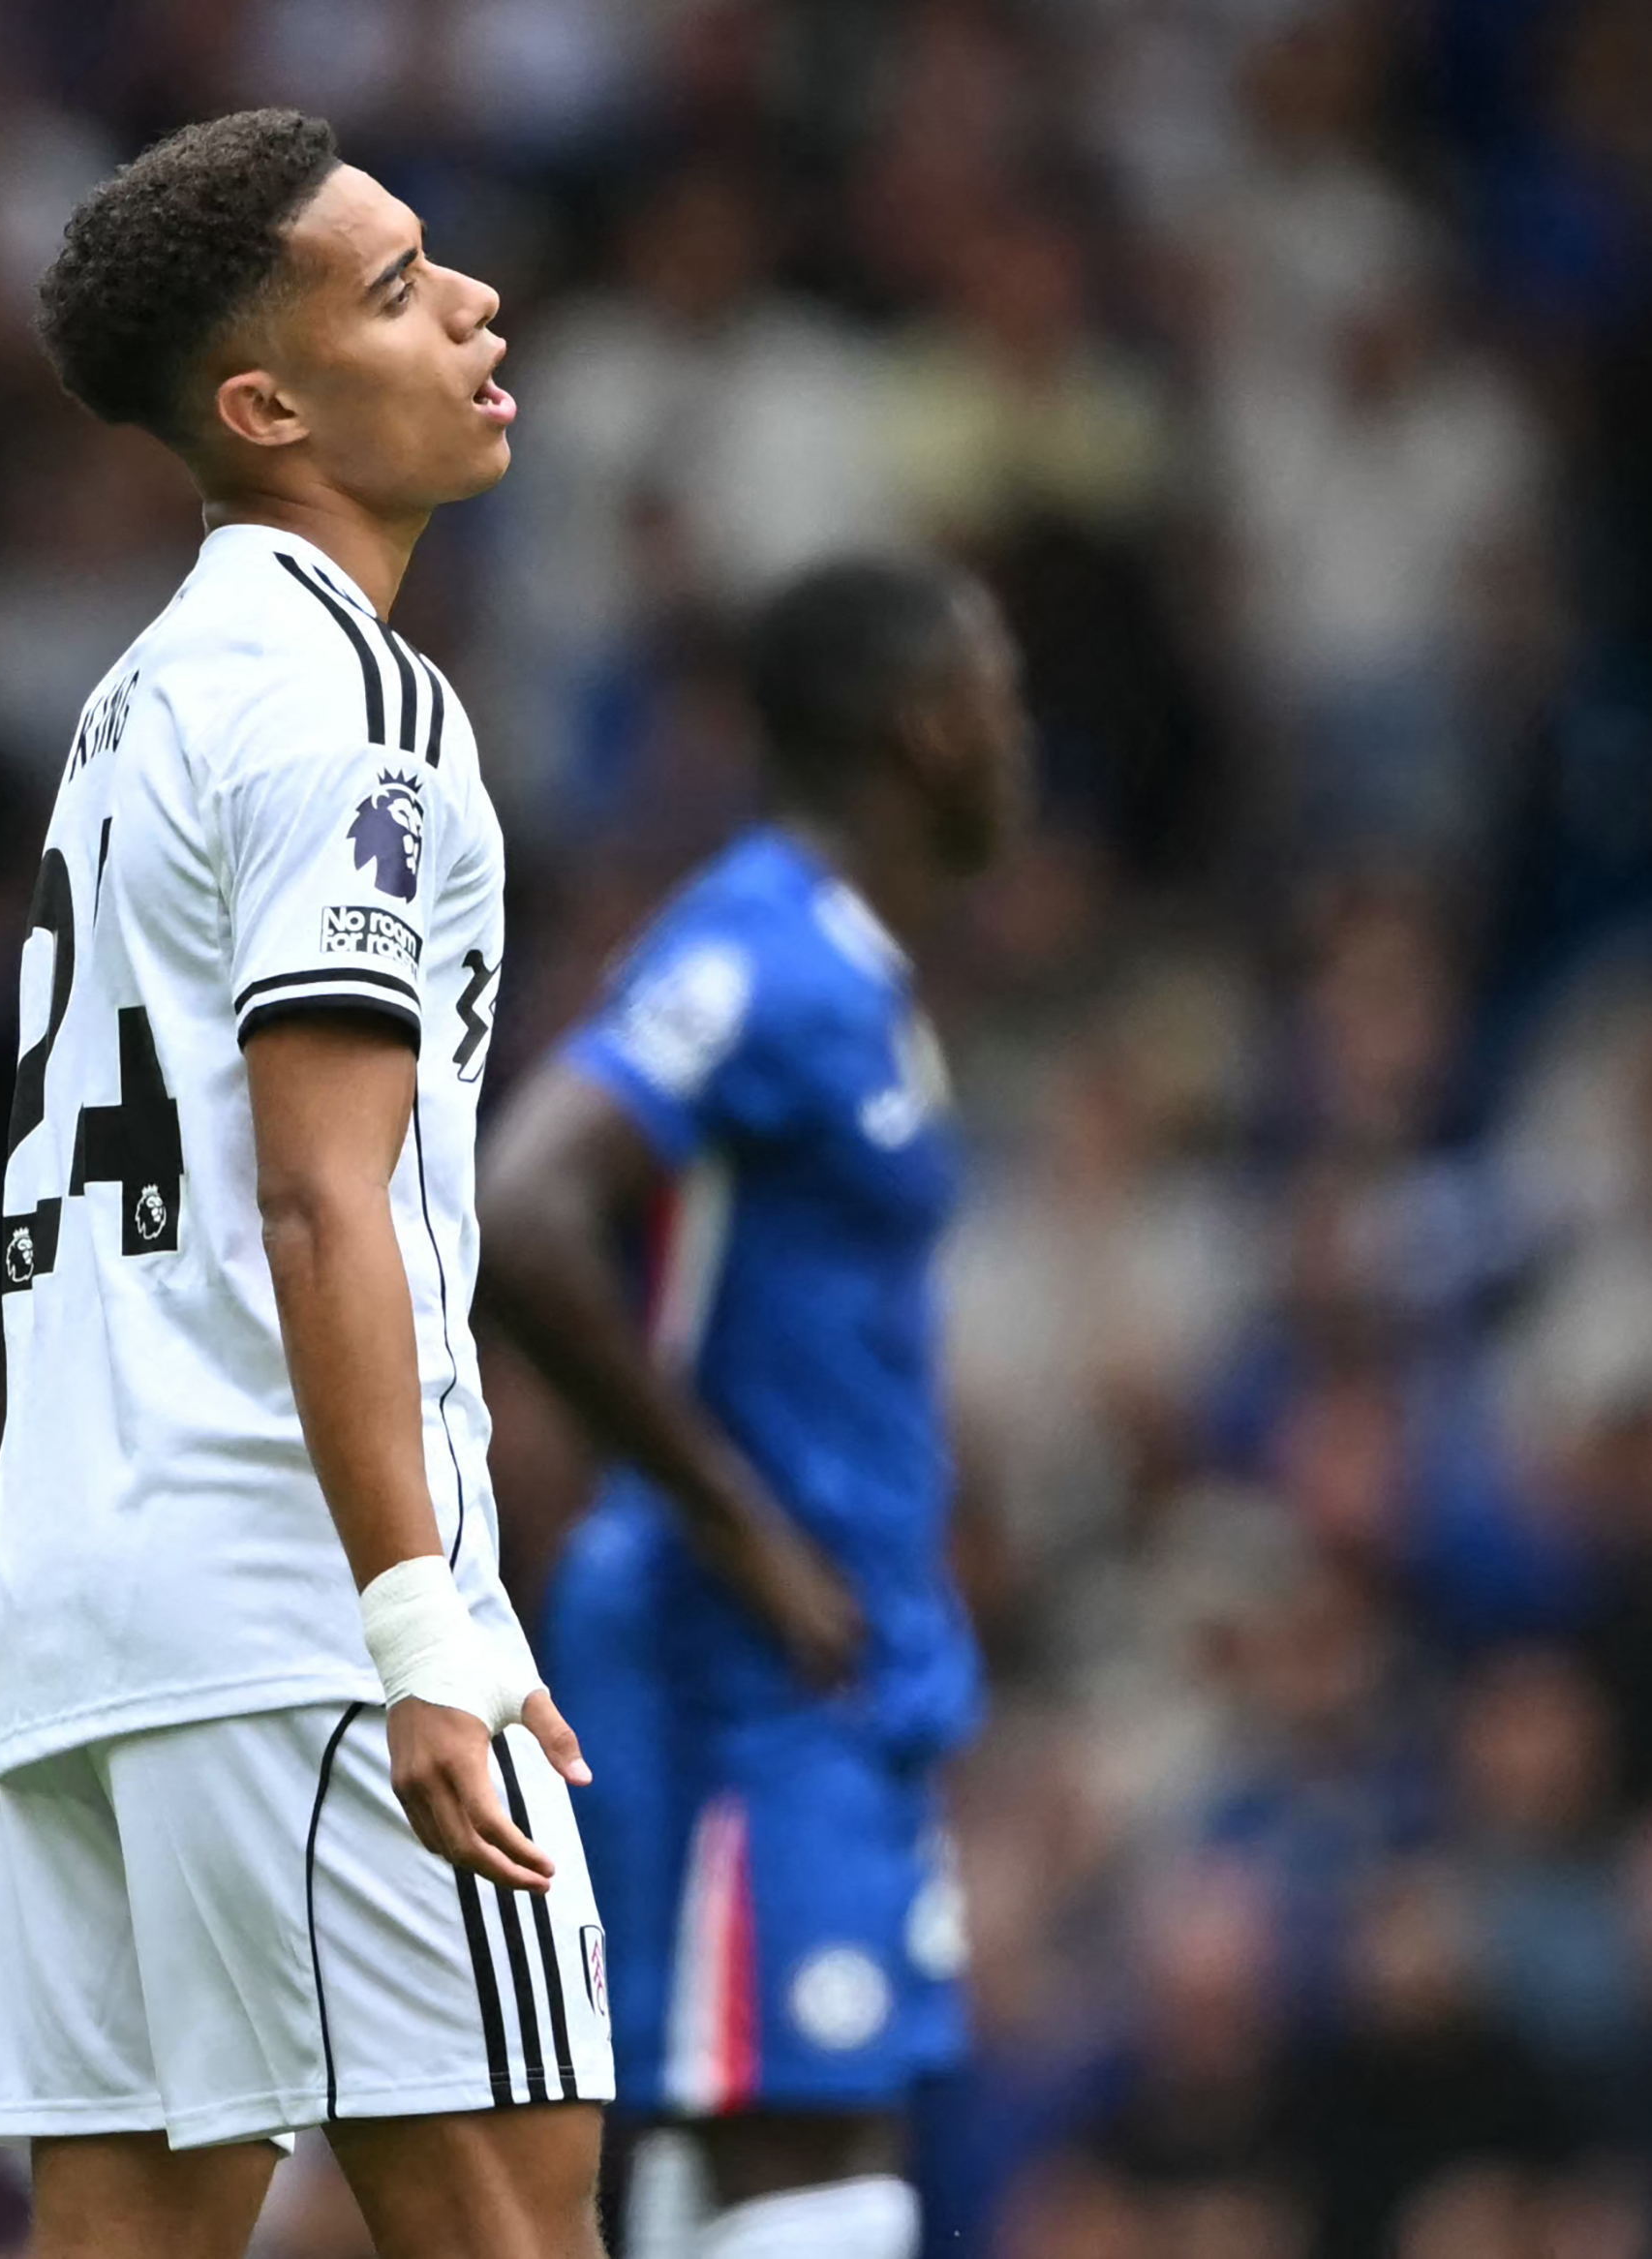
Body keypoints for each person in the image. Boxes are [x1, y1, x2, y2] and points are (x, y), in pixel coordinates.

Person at [0, 108, 611, 2259]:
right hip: (301, 1605)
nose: (476, 305)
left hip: (86, 1612)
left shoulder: (136, 702)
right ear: (266, 408)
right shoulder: (350, 709)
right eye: (400, 287)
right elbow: (319, 1196)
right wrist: (419, 1622)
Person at [479, 555, 1031, 2259]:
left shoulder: (854, 972)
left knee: (744, 2142)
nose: (1017, 738)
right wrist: (742, 1525)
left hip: (831, 1661)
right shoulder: (766, 953)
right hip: (741, 1669)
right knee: (797, 2133)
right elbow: (523, 1206)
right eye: (997, 697)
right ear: (925, 728)